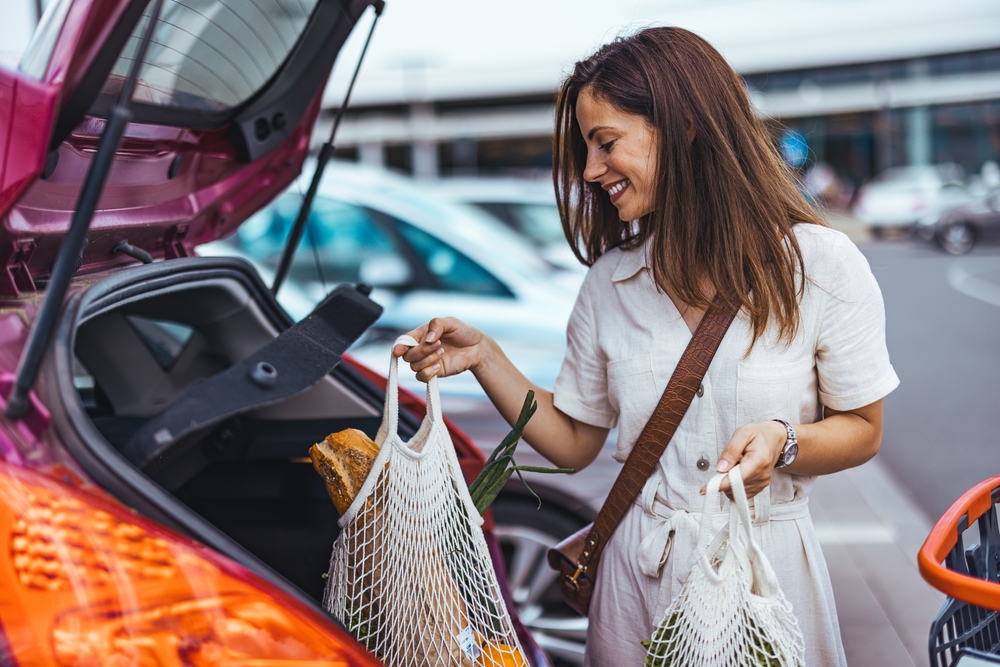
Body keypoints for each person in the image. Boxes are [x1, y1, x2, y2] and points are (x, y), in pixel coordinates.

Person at [394, 27, 897, 666]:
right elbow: (576, 443)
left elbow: (864, 428)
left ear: (683, 128)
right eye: (586, 148)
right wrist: (486, 357)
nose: (590, 170)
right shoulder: (610, 282)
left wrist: (784, 441)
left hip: (766, 570)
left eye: (606, 143)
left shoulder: (820, 265)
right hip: (637, 580)